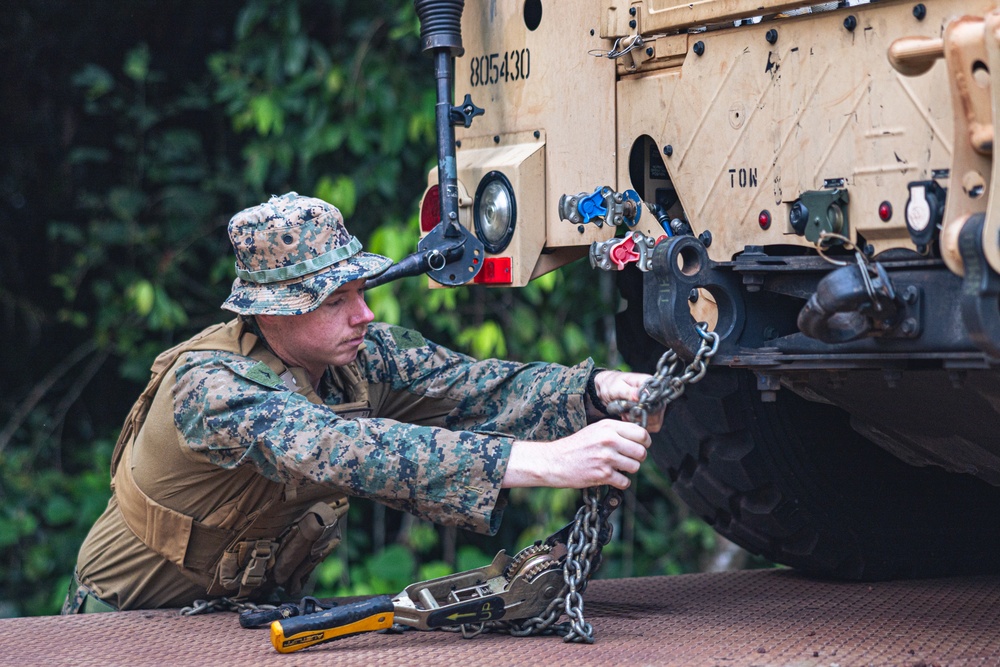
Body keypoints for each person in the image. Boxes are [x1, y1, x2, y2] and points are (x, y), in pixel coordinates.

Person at [63, 192, 665, 613]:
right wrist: (550, 463)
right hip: (123, 622)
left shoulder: (354, 355)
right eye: (336, 300)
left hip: (234, 617)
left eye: (361, 289)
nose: (365, 313)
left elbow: (472, 386)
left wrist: (594, 390)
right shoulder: (212, 387)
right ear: (274, 309)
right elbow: (346, 450)